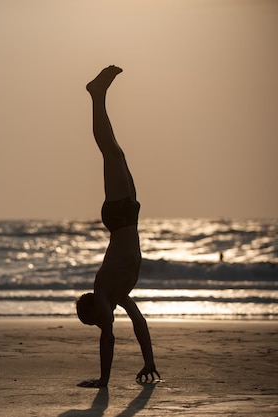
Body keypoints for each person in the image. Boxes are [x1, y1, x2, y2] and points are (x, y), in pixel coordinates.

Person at [75, 65, 160, 388]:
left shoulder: (103, 290)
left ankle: (97, 96)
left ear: (94, 308)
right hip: (128, 215)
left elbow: (108, 337)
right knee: (115, 151)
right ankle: (98, 96)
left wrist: (103, 379)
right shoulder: (118, 295)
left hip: (120, 216)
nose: (103, 321)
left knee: (109, 151)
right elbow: (138, 321)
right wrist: (149, 360)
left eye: (97, 316)